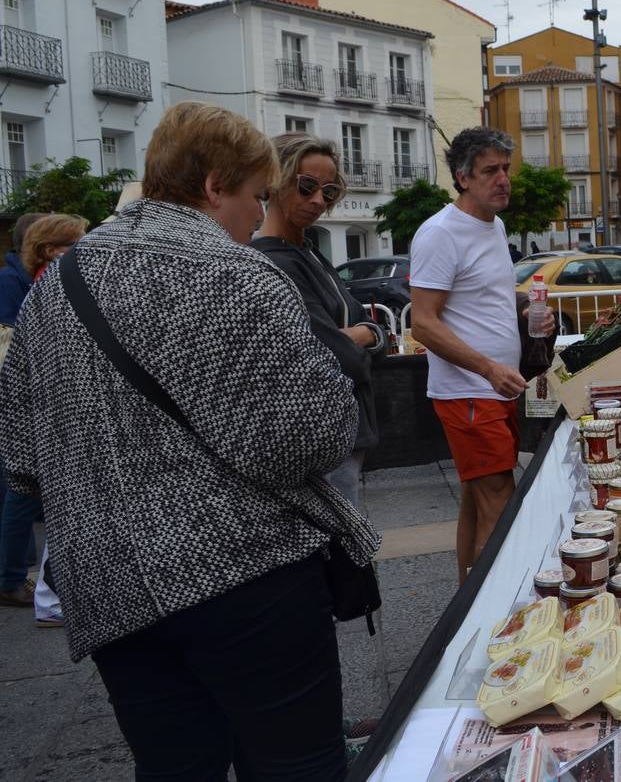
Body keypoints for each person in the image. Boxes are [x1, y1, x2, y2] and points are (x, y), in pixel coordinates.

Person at [0, 101, 379, 779]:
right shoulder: (238, 277)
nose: (254, 217)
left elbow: (22, 458)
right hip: (246, 577)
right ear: (213, 186)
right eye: (257, 196)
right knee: (298, 763)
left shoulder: (57, 283)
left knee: (176, 769)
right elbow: (310, 439)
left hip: (108, 585)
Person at [410, 126, 548, 583]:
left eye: (506, 168)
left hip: (492, 388)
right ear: (462, 177)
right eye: (491, 170)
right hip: (470, 392)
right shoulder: (440, 234)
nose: (503, 179)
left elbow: (487, 299)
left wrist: (528, 315)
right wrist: (488, 368)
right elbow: (423, 323)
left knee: (476, 499)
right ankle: (496, 613)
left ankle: (466, 603)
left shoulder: (495, 225)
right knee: (501, 502)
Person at [253, 133, 388, 506]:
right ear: (275, 181)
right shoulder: (275, 261)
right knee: (340, 545)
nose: (317, 201)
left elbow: (369, 328)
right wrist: (363, 337)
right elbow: (332, 354)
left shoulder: (305, 251)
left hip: (343, 428)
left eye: (328, 192)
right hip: (319, 435)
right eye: (307, 186)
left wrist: (362, 334)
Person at [13, 213, 89, 627]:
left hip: (60, 413)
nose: (85, 247)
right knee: (66, 513)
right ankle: (50, 600)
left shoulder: (47, 287)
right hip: (60, 415)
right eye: (76, 242)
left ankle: (52, 598)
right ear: (50, 250)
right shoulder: (46, 291)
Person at [0, 212, 44, 610]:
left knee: (20, 489)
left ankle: (19, 568)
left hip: (23, 397)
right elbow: (11, 343)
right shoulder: (11, 282)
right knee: (18, 490)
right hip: (17, 399)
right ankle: (10, 577)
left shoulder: (23, 280)